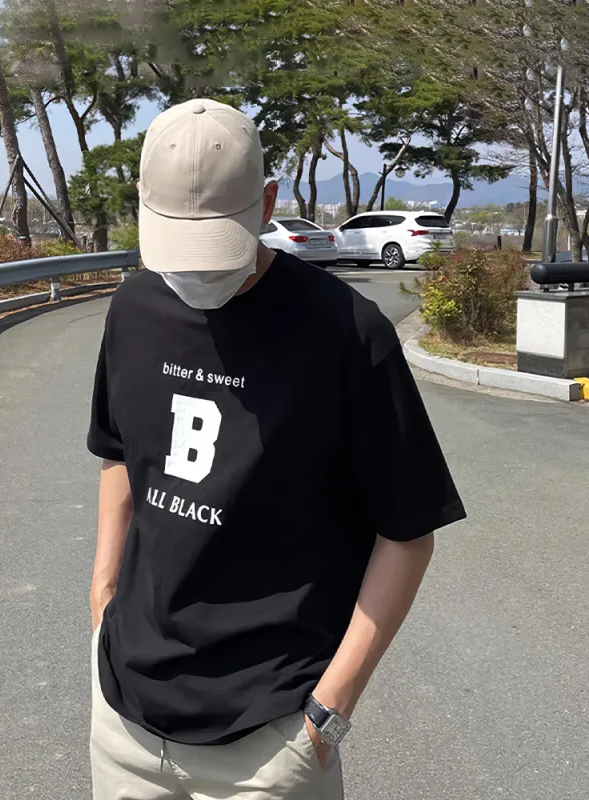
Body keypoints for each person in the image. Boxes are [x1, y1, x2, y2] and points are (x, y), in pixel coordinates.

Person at [87, 98, 466, 800]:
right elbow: (118, 453)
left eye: (214, 246)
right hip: (124, 720)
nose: (195, 272)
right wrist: (102, 596)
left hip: (271, 739)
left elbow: (408, 531)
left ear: (267, 203)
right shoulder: (133, 309)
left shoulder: (345, 332)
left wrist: (329, 710)